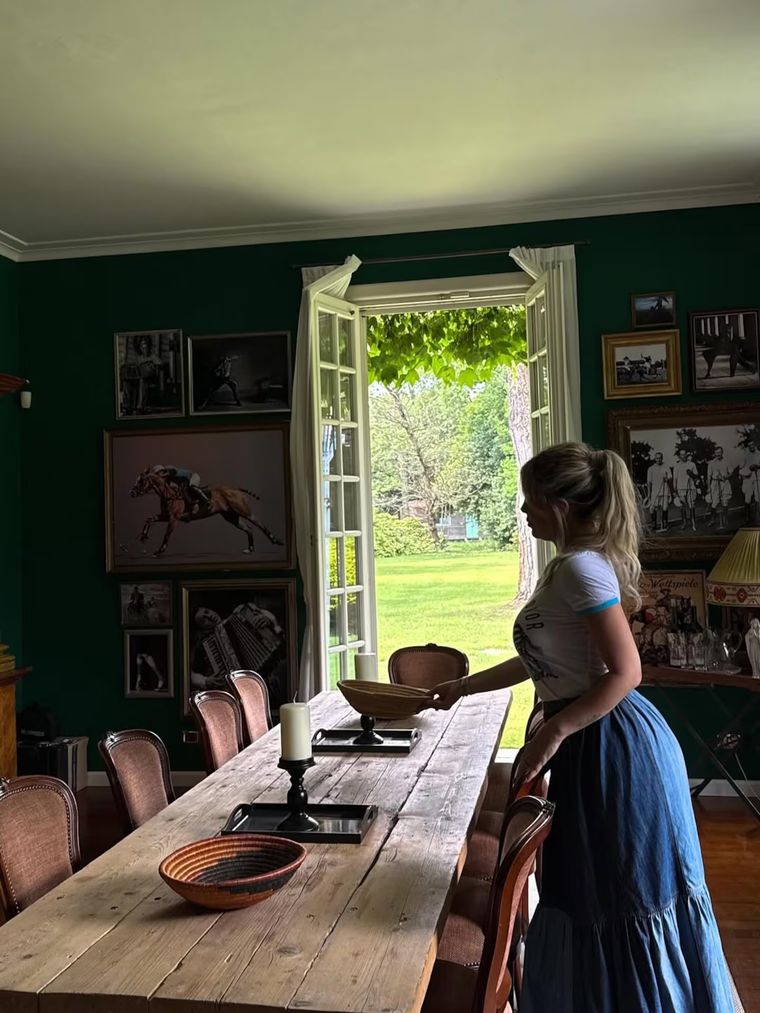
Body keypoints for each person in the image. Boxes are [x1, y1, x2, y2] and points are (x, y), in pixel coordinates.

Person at [429, 442, 734, 1012]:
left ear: (561, 504)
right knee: (590, 892)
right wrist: (463, 686)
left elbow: (627, 672)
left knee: (617, 895)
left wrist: (553, 730)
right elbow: (542, 661)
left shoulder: (579, 568)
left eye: (530, 501)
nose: (523, 512)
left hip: (611, 749)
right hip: (589, 739)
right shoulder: (568, 568)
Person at [671, 448, 699, 531]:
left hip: (691, 488)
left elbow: (696, 476)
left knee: (692, 506)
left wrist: (691, 474)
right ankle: (684, 522)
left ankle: (693, 523)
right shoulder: (676, 466)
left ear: (687, 455)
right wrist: (674, 491)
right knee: (682, 507)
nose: (683, 456)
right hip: (680, 488)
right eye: (682, 454)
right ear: (679, 456)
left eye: (685, 454)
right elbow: (675, 479)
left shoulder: (692, 464)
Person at [706, 446, 732, 529]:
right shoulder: (711, 463)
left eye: (719, 452)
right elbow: (708, 476)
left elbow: (731, 472)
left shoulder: (726, 461)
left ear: (722, 452)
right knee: (715, 502)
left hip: (724, 482)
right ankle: (712, 519)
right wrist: (709, 487)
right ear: (714, 453)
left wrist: (726, 476)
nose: (718, 454)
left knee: (725, 502)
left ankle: (725, 519)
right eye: (716, 453)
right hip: (714, 483)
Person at [646, 450, 671, 532]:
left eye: (660, 458)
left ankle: (664, 523)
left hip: (665, 491)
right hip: (655, 492)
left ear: (662, 458)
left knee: (665, 508)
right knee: (652, 509)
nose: (658, 460)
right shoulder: (650, 469)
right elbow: (649, 482)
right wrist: (649, 494)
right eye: (657, 458)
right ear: (655, 459)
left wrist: (667, 479)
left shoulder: (666, 467)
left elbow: (670, 477)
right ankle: (654, 524)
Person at [739, 440, 760, 524]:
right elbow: (740, 468)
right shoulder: (745, 456)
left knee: (758, 497)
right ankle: (747, 517)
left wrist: (757, 466)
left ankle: (757, 517)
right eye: (749, 445)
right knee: (747, 498)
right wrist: (744, 475)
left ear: (755, 445)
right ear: (748, 446)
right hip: (748, 479)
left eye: (752, 444)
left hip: (758, 477)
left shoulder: (759, 454)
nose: (751, 446)